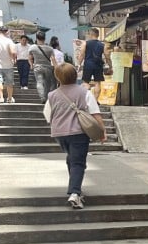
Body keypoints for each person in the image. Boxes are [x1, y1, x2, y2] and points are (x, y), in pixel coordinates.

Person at [43, 63, 105, 209]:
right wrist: (102, 131)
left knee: (71, 158)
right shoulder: (84, 92)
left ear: (57, 77)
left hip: (60, 133)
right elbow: (95, 113)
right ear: (75, 75)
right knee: (78, 162)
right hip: (78, 132)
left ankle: (75, 187)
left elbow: (47, 115)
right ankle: (75, 193)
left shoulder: (52, 95)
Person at [78, 33, 111, 99]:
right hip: (98, 65)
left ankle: (85, 99)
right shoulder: (102, 45)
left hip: (88, 65)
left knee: (85, 82)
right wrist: (110, 65)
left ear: (91, 35)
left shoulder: (85, 43)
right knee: (97, 83)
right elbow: (107, 56)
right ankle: (95, 100)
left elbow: (81, 54)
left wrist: (79, 64)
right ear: (98, 35)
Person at [29, 32, 57, 103]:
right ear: (45, 38)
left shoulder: (32, 47)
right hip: (48, 68)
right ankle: (46, 97)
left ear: (36, 38)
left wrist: (31, 65)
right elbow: (53, 59)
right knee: (47, 83)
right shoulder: (50, 48)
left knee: (39, 82)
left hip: (37, 67)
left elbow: (30, 58)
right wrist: (56, 68)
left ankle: (42, 97)